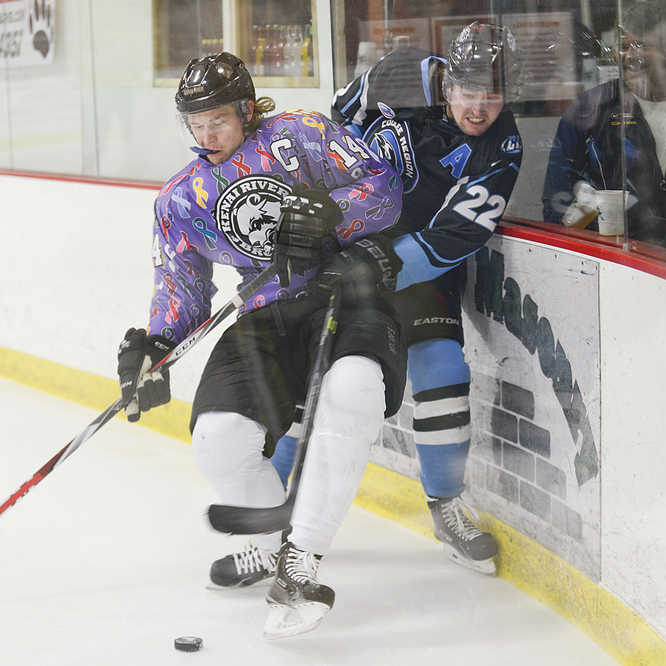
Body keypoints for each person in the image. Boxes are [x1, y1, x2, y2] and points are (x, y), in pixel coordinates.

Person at [116, 52, 405, 638]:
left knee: (352, 390)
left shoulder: (302, 134)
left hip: (344, 293)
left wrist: (330, 213)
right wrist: (155, 345)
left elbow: (385, 190)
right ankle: (272, 546)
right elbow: (181, 288)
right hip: (266, 313)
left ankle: (302, 557)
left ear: (247, 110)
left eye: (217, 120)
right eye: (194, 125)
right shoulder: (182, 199)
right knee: (219, 437)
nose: (206, 135)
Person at [271, 22, 523, 577]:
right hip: (346, 239)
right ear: (448, 78)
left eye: (493, 93)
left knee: (442, 368)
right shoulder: (399, 72)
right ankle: (270, 513)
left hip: (417, 263)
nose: (478, 106)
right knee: (309, 374)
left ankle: (446, 506)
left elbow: (461, 233)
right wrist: (319, 207)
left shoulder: (501, 146)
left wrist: (382, 263)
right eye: (468, 90)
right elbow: (334, 126)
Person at [541, 2, 666, 244]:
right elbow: (555, 204)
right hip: (617, 261)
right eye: (623, 46)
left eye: (641, 44)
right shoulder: (588, 110)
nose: (631, 56)